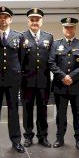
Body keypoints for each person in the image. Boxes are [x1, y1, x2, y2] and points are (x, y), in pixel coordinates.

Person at [0, 6, 25, 154]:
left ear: (11, 19)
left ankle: (16, 141)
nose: (3, 19)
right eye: (0, 17)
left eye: (6, 17)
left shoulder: (19, 37)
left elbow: (21, 59)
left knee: (13, 111)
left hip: (13, 81)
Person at [48, 17, 79, 150]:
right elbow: (51, 63)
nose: (69, 29)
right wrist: (63, 76)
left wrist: (71, 76)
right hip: (60, 86)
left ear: (75, 28)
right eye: (66, 27)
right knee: (60, 115)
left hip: (76, 85)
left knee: (78, 114)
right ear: (63, 28)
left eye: (71, 27)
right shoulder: (55, 44)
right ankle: (59, 139)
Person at [21, 8, 53, 148]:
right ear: (28, 21)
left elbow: (52, 60)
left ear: (41, 21)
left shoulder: (49, 37)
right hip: (26, 81)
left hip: (43, 81)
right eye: (32, 19)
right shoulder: (21, 37)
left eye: (37, 19)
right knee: (27, 110)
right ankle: (28, 137)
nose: (34, 22)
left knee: (43, 110)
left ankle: (43, 136)